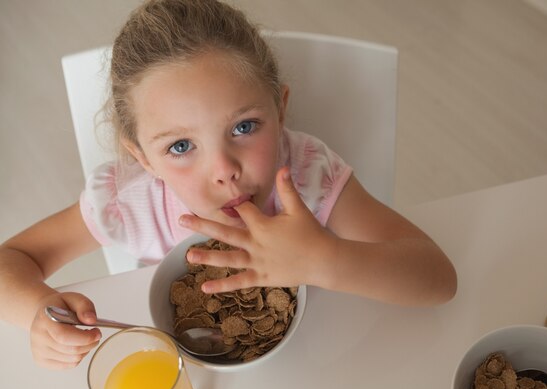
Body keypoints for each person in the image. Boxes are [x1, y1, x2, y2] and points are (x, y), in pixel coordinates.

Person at [0, 0, 456, 370]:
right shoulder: (129, 203)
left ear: (281, 112)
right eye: (180, 146)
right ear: (142, 158)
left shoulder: (307, 177)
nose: (223, 170)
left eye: (244, 127)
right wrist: (38, 312)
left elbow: (437, 278)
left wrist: (325, 259)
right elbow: (11, 261)